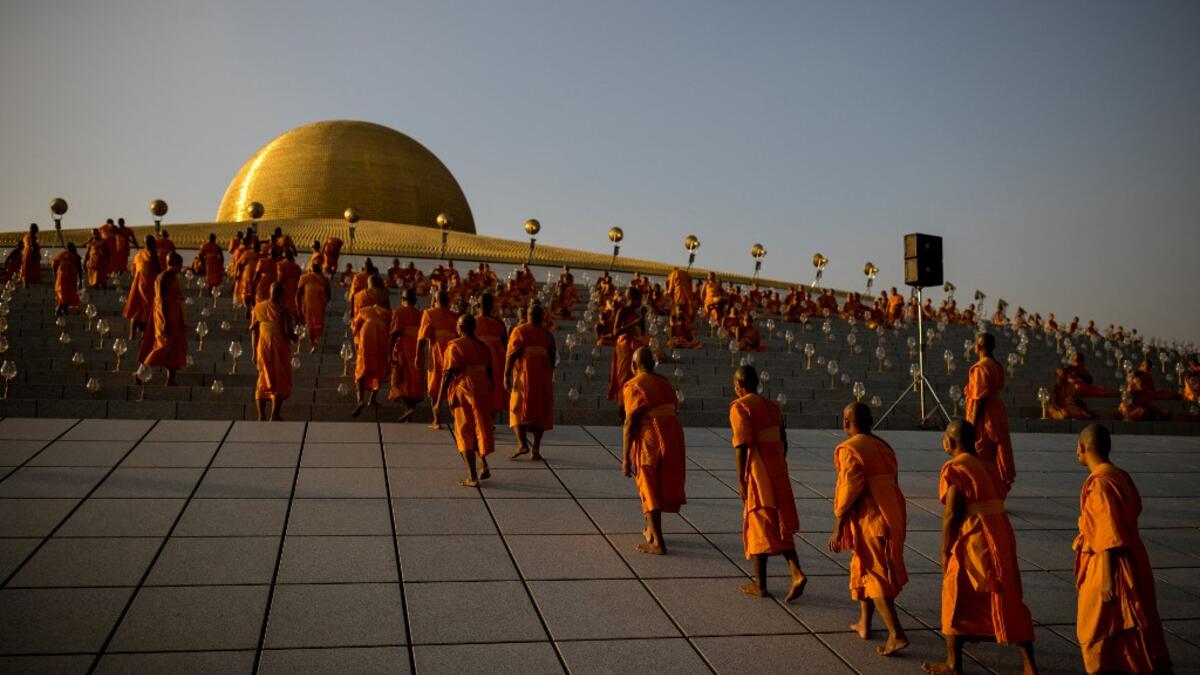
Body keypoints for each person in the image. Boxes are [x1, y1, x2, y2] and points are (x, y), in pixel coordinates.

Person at [923, 419, 1037, 675]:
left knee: (956, 592)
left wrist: (945, 549)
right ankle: (1029, 663)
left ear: (950, 442)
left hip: (974, 535)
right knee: (1006, 595)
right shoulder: (990, 465)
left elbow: (952, 513)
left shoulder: (956, 468)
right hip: (1000, 533)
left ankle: (953, 663)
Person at [1072, 424, 1171, 674]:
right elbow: (1133, 510)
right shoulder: (1120, 475)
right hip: (1135, 557)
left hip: (1111, 564)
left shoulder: (1100, 484)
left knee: (1098, 628)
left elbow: (1108, 533)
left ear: (1082, 448)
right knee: (1138, 626)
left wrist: (1107, 580)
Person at [828, 402, 909, 655]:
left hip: (871, 516)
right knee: (863, 564)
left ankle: (896, 634)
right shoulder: (883, 446)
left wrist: (838, 525)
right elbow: (894, 480)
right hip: (891, 512)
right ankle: (864, 623)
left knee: (875, 574)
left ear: (846, 423)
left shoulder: (850, 449)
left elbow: (849, 488)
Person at [730, 365, 806, 599]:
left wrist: (741, 479)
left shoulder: (740, 406)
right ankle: (795, 572)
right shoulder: (773, 407)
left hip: (758, 467)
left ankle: (761, 585)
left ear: (738, 387)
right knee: (778, 519)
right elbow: (784, 440)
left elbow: (742, 445)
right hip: (776, 467)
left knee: (758, 521)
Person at [621, 346, 686, 555]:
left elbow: (630, 423)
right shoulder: (665, 383)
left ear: (633, 365)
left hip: (651, 438)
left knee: (648, 486)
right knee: (660, 483)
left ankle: (658, 542)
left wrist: (625, 457)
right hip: (672, 435)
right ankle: (651, 529)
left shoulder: (633, 385)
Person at [433, 314, 495, 487]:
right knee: (477, 427)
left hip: (464, 389)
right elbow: (490, 374)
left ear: (459, 328)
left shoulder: (455, 346)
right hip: (482, 389)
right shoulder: (483, 347)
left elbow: (448, 374)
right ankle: (483, 464)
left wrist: (438, 401)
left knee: (465, 430)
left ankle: (472, 476)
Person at [965, 333, 1016, 487]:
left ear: (978, 347)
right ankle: (997, 486)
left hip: (985, 416)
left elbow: (980, 399)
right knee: (995, 452)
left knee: (981, 452)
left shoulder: (981, 367)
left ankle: (986, 489)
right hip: (997, 411)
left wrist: (972, 427)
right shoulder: (997, 365)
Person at [506, 303, 555, 460]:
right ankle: (536, 448)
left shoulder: (519, 331)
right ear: (542, 318)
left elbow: (511, 355)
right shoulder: (548, 335)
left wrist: (506, 375)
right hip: (542, 379)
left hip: (524, 378)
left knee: (516, 409)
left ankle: (522, 444)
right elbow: (553, 359)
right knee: (539, 413)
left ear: (527, 316)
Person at [250, 281, 296, 421]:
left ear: (270, 293)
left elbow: (254, 332)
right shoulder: (283, 310)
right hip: (279, 346)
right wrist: (296, 337)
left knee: (263, 377)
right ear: (281, 295)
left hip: (262, 346)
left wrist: (253, 352)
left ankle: (261, 414)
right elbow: (288, 332)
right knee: (279, 378)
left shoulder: (258, 307)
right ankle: (274, 414)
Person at [144, 252, 188, 385]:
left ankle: (171, 379)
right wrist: (165, 321)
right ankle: (141, 373)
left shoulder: (173, 276)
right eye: (178, 265)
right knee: (164, 346)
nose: (181, 268)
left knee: (175, 347)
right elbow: (161, 300)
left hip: (176, 316)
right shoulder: (163, 277)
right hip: (167, 316)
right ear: (171, 264)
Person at [417, 290, 459, 428]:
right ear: (448, 302)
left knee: (434, 385)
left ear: (435, 300)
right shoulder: (455, 315)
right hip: (452, 352)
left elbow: (422, 338)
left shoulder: (429, 313)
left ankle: (436, 420)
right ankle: (458, 419)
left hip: (437, 354)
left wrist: (418, 355)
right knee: (453, 384)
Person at [352, 278, 392, 418]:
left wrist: (356, 341)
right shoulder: (385, 312)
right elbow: (391, 325)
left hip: (366, 333)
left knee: (362, 366)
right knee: (380, 365)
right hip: (381, 334)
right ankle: (372, 399)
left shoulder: (363, 308)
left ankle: (360, 400)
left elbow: (355, 325)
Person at [388, 287, 425, 421]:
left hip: (402, 348)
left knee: (397, 381)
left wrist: (389, 353)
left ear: (403, 299)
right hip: (416, 350)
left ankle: (408, 409)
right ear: (415, 301)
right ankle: (410, 414)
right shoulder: (421, 314)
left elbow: (394, 334)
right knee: (413, 382)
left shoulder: (398, 312)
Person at [475, 293, 509, 415]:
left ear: (478, 305)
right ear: (492, 307)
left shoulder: (473, 322)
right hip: (497, 361)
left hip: (479, 358)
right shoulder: (499, 324)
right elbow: (506, 344)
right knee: (494, 387)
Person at [123, 236, 159, 340]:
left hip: (138, 284)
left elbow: (134, 269)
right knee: (147, 309)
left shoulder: (138, 255)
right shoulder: (152, 255)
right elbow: (158, 270)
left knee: (137, 310)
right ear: (152, 244)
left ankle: (132, 335)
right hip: (149, 286)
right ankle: (142, 334)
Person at [296, 260, 330, 352]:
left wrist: (298, 307)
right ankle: (315, 341)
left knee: (310, 324)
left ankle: (313, 342)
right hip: (319, 305)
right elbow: (328, 294)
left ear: (311, 270)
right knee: (317, 324)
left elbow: (298, 294)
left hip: (309, 304)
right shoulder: (323, 280)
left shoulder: (305, 278)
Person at [51, 243, 82, 315]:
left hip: (70, 279)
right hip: (62, 278)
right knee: (64, 295)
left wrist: (80, 281)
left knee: (68, 295)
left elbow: (80, 270)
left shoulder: (75, 257)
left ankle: (64, 310)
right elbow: (54, 265)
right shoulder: (61, 255)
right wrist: (55, 274)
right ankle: (59, 309)